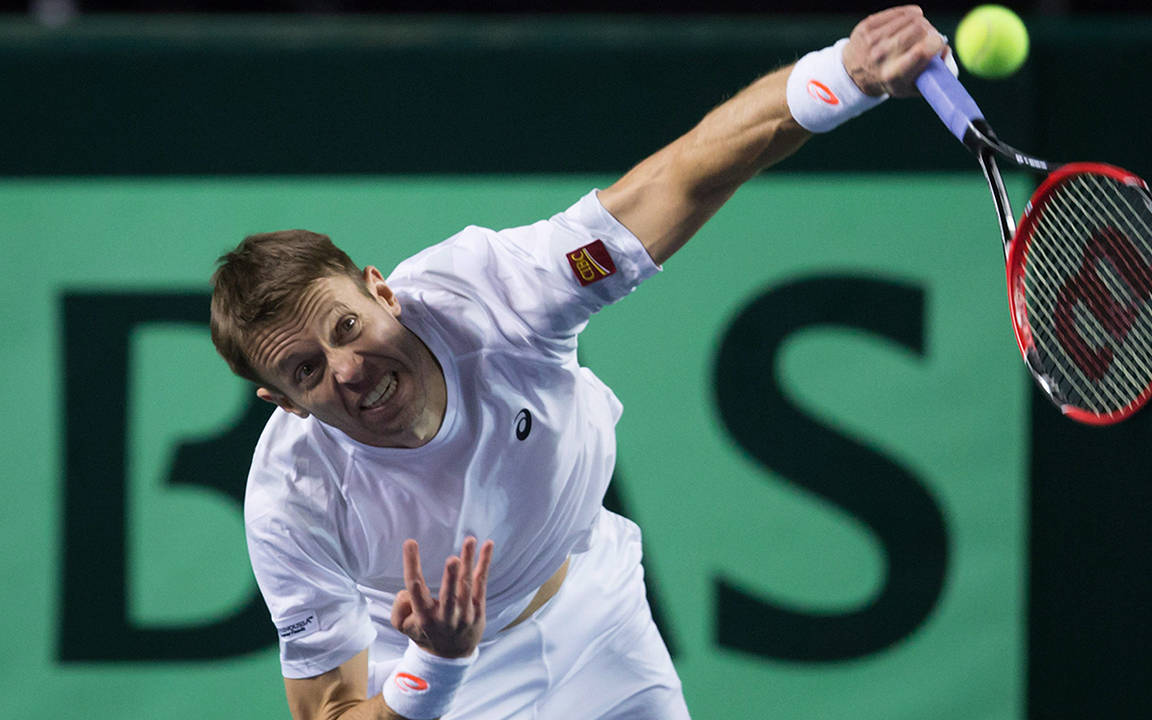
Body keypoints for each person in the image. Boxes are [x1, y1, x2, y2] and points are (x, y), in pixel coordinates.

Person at [209, 6, 947, 719]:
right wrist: (433, 669)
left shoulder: (499, 294)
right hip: (439, 684)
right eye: (306, 372)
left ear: (382, 291)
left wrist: (846, 73)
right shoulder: (291, 499)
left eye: (345, 326)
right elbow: (329, 714)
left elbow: (676, 180)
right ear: (285, 403)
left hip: (596, 620)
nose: (348, 370)